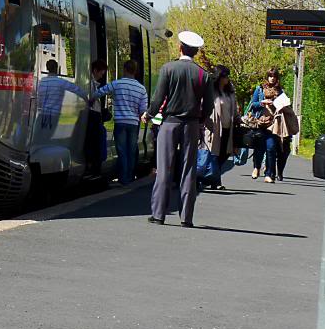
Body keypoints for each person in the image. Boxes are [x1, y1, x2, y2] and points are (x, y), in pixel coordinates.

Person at [141, 31, 213, 227]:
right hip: (191, 125)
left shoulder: (168, 68)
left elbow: (158, 98)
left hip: (170, 123)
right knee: (188, 170)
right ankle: (186, 217)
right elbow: (208, 106)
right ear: (196, 52)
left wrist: (148, 114)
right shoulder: (203, 75)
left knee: (165, 168)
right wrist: (200, 120)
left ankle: (158, 214)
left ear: (180, 47)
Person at [89, 59, 148, 185]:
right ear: (135, 71)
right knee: (131, 150)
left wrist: (91, 99)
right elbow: (143, 109)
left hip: (120, 122)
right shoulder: (141, 88)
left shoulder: (117, 84)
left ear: (125, 70)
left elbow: (99, 92)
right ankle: (130, 177)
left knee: (121, 151)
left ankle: (124, 178)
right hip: (133, 123)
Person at [201, 64, 239, 190]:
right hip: (214, 128)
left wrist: (239, 119)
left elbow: (234, 109)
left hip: (228, 128)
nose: (227, 78)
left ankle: (211, 178)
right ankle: (215, 181)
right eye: (224, 76)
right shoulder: (210, 91)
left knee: (224, 154)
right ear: (219, 77)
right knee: (213, 154)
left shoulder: (230, 92)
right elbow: (203, 107)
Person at [249, 68, 289, 183]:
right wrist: (262, 103)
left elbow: (285, 105)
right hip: (260, 123)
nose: (272, 78)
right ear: (267, 77)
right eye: (270, 76)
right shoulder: (260, 89)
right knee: (259, 148)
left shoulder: (280, 91)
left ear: (277, 78)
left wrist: (275, 103)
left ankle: (269, 174)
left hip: (274, 124)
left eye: (274, 76)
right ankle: (256, 167)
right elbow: (253, 104)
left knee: (271, 148)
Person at [37, 59, 87, 136]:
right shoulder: (60, 82)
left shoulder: (42, 81)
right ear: (57, 69)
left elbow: (39, 98)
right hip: (54, 114)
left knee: (41, 137)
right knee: (48, 137)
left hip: (42, 114)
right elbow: (77, 90)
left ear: (47, 68)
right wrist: (87, 99)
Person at [84, 59, 108, 177]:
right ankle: (94, 168)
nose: (101, 76)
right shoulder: (91, 84)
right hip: (94, 115)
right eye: (101, 73)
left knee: (93, 142)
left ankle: (93, 167)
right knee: (95, 143)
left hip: (94, 115)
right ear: (95, 70)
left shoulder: (92, 83)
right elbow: (92, 99)